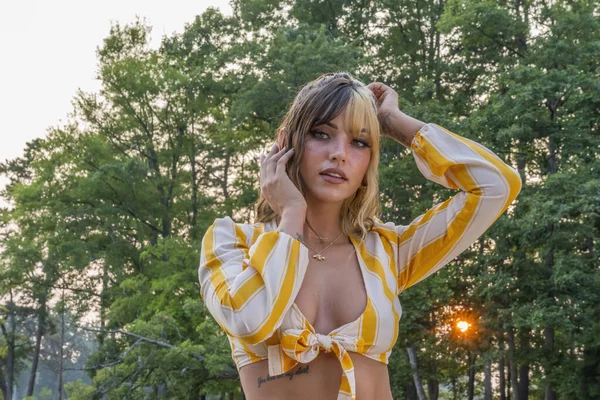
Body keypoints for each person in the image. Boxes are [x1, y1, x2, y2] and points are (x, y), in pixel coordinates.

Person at [198, 72, 522, 400]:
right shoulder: (232, 242)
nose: (340, 153)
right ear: (285, 143)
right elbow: (251, 321)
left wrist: (394, 123)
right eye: (321, 133)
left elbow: (496, 187)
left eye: (360, 141)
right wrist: (291, 213)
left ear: (369, 159)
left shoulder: (388, 250)